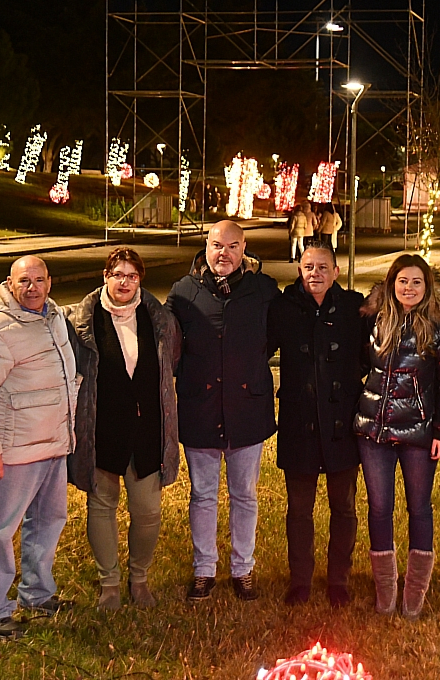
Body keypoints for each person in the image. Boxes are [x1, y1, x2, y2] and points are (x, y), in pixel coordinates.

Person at [0, 256, 80, 640]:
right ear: (10, 284)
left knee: (48, 523)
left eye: (39, 280)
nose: (32, 287)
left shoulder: (54, 317)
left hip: (53, 444)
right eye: (23, 281)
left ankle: (37, 594)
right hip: (14, 451)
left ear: (50, 282)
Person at [165, 220, 279, 602]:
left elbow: (275, 337)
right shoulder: (183, 292)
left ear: (243, 249)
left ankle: (242, 569)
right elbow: (168, 343)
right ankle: (204, 569)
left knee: (244, 494)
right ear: (206, 246)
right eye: (217, 245)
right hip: (200, 408)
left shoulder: (262, 290)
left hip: (247, 409)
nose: (224, 254)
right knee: (203, 494)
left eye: (232, 246)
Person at [66, 247, 181, 611]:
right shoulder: (83, 320)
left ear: (140, 280)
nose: (124, 282)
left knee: (147, 511)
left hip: (147, 429)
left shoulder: (157, 318)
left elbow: (171, 362)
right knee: (102, 505)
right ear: (105, 276)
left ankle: (140, 579)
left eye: (132, 276)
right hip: (102, 428)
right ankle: (109, 584)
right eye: (118, 275)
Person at [355, 254, 440, 620]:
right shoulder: (376, 319)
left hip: (418, 431)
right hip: (374, 431)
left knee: (419, 508)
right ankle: (385, 591)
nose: (408, 289)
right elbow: (362, 366)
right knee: (380, 508)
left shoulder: (439, 327)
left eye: (416, 282)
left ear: (426, 286)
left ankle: (414, 594)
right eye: (402, 282)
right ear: (391, 284)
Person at [267, 243, 365, 607]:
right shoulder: (282, 307)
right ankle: (300, 581)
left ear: (336, 272)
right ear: (299, 270)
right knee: (299, 510)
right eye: (308, 267)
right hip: (299, 422)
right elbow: (257, 347)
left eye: (323, 267)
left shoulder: (354, 308)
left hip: (342, 424)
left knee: (344, 508)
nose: (315, 274)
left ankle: (339, 579)